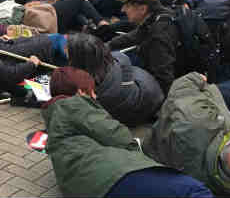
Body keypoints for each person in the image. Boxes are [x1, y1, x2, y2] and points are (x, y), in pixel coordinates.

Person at [110, 0, 230, 132]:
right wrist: (108, 45)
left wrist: (163, 110)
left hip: (187, 82)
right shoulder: (163, 15)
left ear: (142, 9)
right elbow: (136, 35)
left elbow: (164, 79)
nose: (123, 10)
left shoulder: (158, 37)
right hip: (203, 69)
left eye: (127, 6)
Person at [44, 67, 213, 198]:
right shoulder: (75, 106)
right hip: (111, 176)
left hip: (87, 187)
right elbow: (116, 135)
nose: (95, 96)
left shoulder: (56, 119)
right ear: (81, 91)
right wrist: (142, 153)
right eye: (92, 91)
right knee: (193, 190)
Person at [66, 34, 164, 125]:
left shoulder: (98, 94)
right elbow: (123, 57)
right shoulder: (113, 59)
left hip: (141, 107)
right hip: (150, 90)